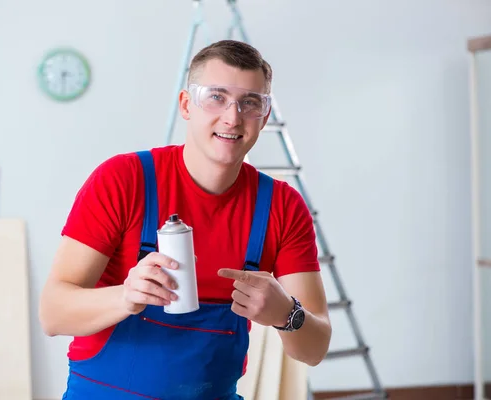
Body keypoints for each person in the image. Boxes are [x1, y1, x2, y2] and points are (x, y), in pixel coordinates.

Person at [39, 39, 332, 400]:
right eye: (216, 97)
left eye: (250, 103)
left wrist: (286, 313)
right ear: (186, 105)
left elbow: (314, 349)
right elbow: (52, 313)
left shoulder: (282, 208)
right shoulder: (124, 180)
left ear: (264, 117)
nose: (232, 116)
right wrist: (126, 298)